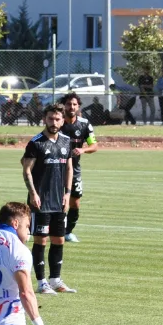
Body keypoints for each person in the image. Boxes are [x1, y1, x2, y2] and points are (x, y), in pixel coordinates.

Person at [22, 103, 75, 295]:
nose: (54, 122)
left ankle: (56, 280)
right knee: (40, 240)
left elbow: (69, 168)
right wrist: (33, 194)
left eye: (57, 119)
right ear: (45, 119)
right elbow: (26, 169)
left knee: (59, 240)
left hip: (59, 201)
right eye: (51, 118)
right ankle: (41, 282)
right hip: (40, 201)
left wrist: (67, 194)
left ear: (63, 121)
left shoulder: (66, 142)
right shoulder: (36, 143)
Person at [59, 93, 98, 244]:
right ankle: (36, 228)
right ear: (64, 106)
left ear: (78, 106)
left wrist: (83, 150)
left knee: (75, 203)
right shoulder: (58, 122)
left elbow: (94, 145)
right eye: (69, 104)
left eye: (74, 104)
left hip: (74, 170)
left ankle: (68, 232)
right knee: (53, 201)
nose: (71, 107)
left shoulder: (84, 124)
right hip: (55, 168)